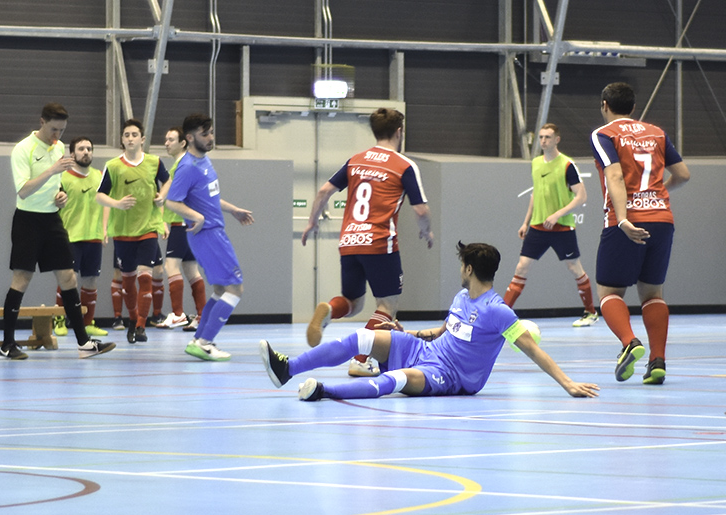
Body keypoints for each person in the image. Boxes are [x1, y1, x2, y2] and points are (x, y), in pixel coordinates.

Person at [261, 242, 600, 401]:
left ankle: (324, 391)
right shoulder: (462, 297)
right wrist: (408, 333)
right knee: (362, 338)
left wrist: (568, 383)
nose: (460, 270)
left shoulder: (498, 311)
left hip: (452, 376)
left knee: (397, 379)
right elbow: (443, 332)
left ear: (469, 269)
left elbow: (533, 350)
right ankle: (287, 369)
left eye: (462, 265)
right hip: (426, 351)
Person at [301, 107, 434, 377]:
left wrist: (312, 222)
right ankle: (361, 360)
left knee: (353, 302)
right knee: (387, 306)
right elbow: (421, 210)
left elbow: (324, 191)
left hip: (350, 241)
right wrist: (427, 231)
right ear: (399, 132)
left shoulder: (356, 160)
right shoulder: (404, 165)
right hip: (379, 242)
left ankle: (330, 310)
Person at [590, 82, 690, 385]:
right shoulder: (657, 132)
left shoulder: (604, 134)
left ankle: (629, 342)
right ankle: (657, 361)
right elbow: (683, 174)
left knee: (609, 293)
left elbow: (615, 176)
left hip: (626, 221)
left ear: (605, 105)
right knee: (652, 293)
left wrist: (622, 219)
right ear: (633, 108)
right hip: (662, 219)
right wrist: (658, 194)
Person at [1, 102, 116, 360]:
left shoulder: (59, 148)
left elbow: (55, 185)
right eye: (54, 129)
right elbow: (24, 190)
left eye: (62, 130)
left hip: (52, 219)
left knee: (68, 278)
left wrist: (60, 195)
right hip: (27, 221)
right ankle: (7, 344)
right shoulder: (24, 149)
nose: (58, 135)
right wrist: (52, 169)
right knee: (22, 279)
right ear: (42, 122)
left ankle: (84, 344)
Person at [165, 113, 255, 361]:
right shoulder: (187, 167)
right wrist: (197, 217)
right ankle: (205, 342)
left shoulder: (204, 162)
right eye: (205, 134)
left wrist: (233, 210)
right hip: (208, 235)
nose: (210, 137)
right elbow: (171, 201)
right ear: (190, 137)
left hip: (213, 232)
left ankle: (199, 340)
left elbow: (209, 198)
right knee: (235, 288)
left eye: (211, 132)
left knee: (220, 289)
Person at [503, 123, 599, 327]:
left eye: (547, 137)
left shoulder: (567, 165)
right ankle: (502, 315)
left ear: (557, 140)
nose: (543, 141)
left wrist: (557, 214)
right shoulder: (536, 163)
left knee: (574, 267)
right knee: (522, 267)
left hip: (562, 226)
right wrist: (525, 222)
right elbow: (535, 194)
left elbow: (581, 196)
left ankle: (590, 312)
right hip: (538, 226)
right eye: (541, 137)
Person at [96, 119, 170, 344]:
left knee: (145, 277)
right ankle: (131, 319)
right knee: (127, 281)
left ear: (142, 139)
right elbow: (99, 195)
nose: (130, 138)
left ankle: (141, 325)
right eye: (126, 135)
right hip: (122, 231)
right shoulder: (113, 166)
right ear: (122, 139)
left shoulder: (154, 162)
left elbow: (168, 181)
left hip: (148, 228)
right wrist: (117, 204)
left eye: (134, 135)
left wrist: (162, 197)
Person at [52, 137, 108, 338]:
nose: (86, 152)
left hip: (93, 236)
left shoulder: (99, 176)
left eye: (89, 149)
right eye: (81, 149)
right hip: (70, 237)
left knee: (91, 279)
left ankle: (88, 322)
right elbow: (54, 205)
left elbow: (106, 203)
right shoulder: (62, 178)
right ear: (72, 154)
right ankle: (59, 319)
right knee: (68, 278)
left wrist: (104, 229)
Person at [155, 127, 206, 331]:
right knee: (191, 269)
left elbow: (172, 191)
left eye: (171, 140)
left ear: (183, 142)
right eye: (166, 139)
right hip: (187, 223)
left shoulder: (182, 165)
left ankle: (177, 314)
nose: (166, 143)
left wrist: (160, 198)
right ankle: (201, 315)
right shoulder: (185, 163)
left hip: (181, 222)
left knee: (171, 266)